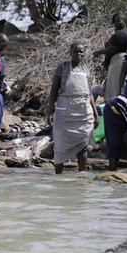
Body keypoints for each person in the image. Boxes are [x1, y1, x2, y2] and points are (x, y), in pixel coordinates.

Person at [46, 42, 99, 174]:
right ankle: (58, 177)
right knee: (60, 146)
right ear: (70, 52)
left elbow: (90, 94)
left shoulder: (86, 69)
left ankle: (82, 177)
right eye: (76, 51)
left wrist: (95, 114)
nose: (79, 54)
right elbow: (54, 90)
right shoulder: (62, 68)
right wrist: (49, 110)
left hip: (83, 112)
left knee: (83, 146)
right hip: (65, 111)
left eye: (81, 52)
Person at [90, 12, 127, 102]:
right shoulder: (125, 33)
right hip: (116, 64)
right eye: (115, 21)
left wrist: (96, 53)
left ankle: (112, 109)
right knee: (112, 89)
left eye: (118, 20)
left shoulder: (121, 35)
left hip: (118, 64)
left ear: (125, 21)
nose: (116, 23)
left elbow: (110, 50)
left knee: (114, 91)